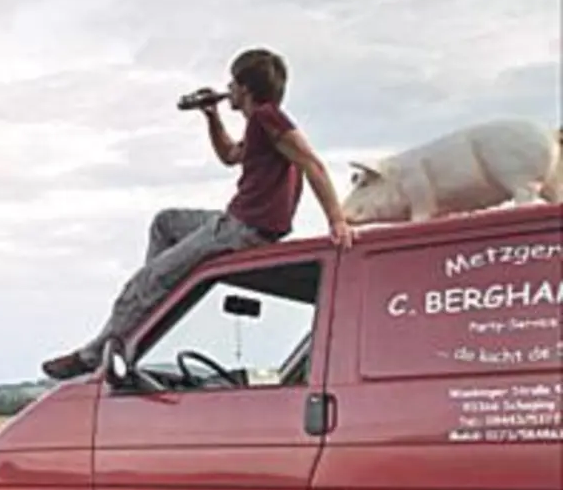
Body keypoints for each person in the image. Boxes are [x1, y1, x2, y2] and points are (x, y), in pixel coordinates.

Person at [41, 47, 356, 381]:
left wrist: (336, 219)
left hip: (242, 230)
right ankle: (151, 311)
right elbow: (230, 155)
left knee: (144, 283)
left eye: (232, 84)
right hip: (238, 223)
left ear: (245, 89)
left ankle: (93, 355)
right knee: (165, 224)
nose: (228, 89)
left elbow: (311, 163)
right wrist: (212, 117)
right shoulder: (259, 127)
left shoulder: (267, 117)